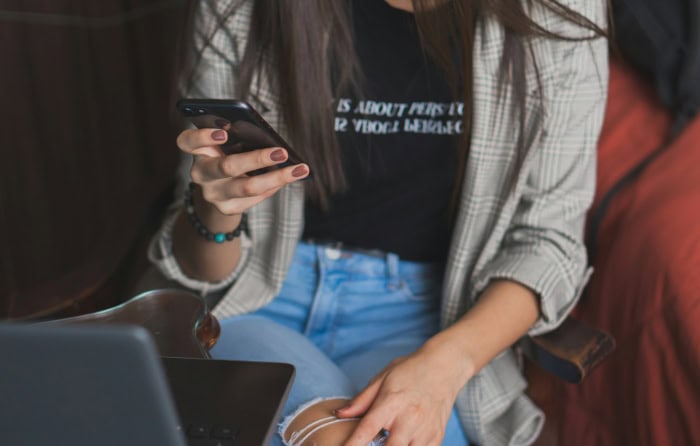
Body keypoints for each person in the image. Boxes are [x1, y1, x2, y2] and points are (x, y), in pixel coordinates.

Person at [149, 0, 609, 444]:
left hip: (432, 321)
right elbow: (202, 268)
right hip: (258, 302)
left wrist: (446, 364)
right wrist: (215, 211)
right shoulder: (244, 5)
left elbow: (549, 240)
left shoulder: (557, 9)